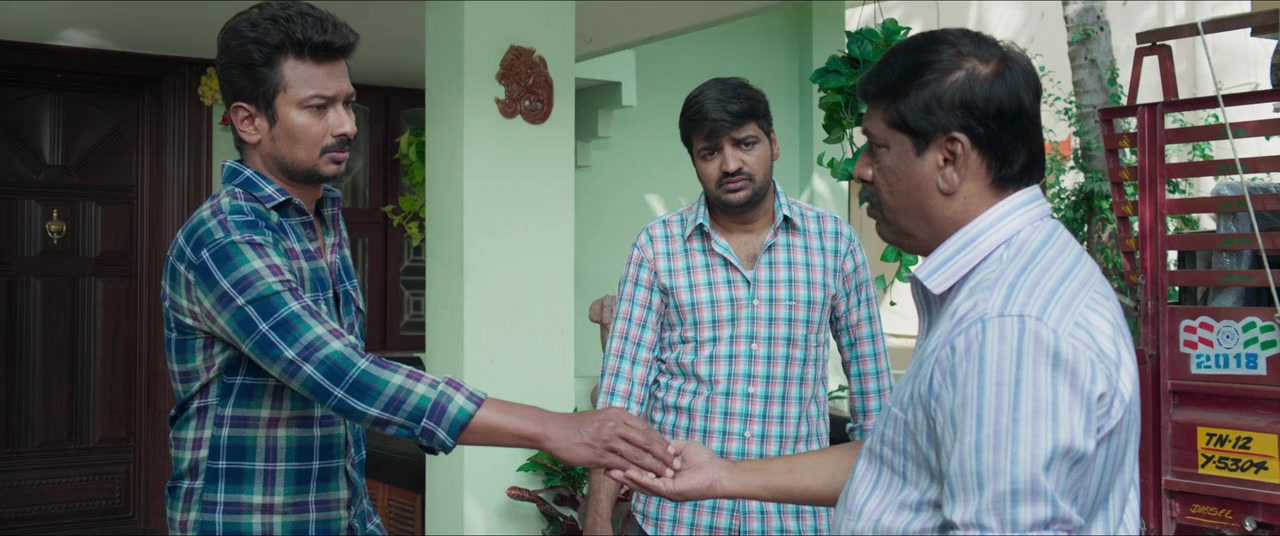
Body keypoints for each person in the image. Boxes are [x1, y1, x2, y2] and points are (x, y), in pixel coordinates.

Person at [161, 2, 677, 534]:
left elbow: (337, 416)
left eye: (347, 103)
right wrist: (555, 429)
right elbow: (342, 375)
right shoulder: (225, 237)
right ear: (249, 121)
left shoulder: (321, 219)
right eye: (318, 108)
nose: (346, 125)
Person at [609, 28, 1141, 535]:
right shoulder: (1005, 282)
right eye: (710, 152)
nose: (860, 169)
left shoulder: (1012, 326)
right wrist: (723, 475)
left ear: (950, 159)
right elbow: (898, 457)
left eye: (877, 147)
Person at [585, 77, 893, 536]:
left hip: (792, 520)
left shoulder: (833, 243)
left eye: (745, 144)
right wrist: (597, 519)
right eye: (710, 152)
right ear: (694, 160)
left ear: (773, 143)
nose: (730, 164)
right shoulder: (657, 248)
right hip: (677, 521)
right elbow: (621, 399)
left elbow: (874, 400)